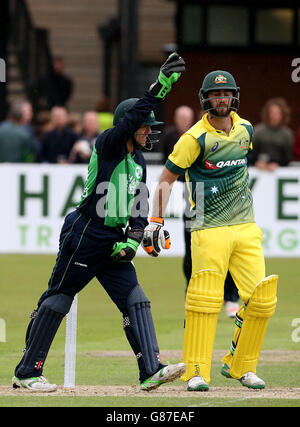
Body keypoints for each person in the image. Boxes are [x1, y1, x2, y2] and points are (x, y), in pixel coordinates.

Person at [12, 52, 186, 393]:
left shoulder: (139, 160)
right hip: (85, 233)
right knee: (60, 298)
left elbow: (139, 205)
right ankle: (27, 372)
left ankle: (151, 369)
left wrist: (133, 239)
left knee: (135, 298)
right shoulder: (107, 145)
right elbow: (128, 121)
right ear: (129, 125)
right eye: (145, 125)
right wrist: (160, 87)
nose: (149, 131)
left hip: (112, 239)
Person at [143, 69, 278, 392]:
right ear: (206, 99)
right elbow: (166, 181)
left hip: (246, 226)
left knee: (261, 300)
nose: (222, 99)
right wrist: (155, 223)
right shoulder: (194, 138)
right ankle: (197, 372)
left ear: (234, 97)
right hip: (208, 229)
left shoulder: (245, 129)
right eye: (216, 95)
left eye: (226, 94)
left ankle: (241, 366)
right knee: (204, 302)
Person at [160, 106, 240, 317]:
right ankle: (192, 291)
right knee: (192, 250)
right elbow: (168, 166)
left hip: (220, 200)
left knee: (230, 250)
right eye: (181, 117)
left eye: (188, 117)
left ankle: (231, 297)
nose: (185, 121)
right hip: (192, 198)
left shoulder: (210, 136)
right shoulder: (182, 139)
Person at [250, 98, 293, 170]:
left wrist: (278, 164)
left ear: (283, 114)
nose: (274, 116)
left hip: (279, 171)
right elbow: (250, 153)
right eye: (272, 113)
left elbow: (288, 158)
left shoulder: (287, 134)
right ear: (267, 113)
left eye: (277, 113)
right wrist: (256, 162)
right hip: (258, 169)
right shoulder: (258, 131)